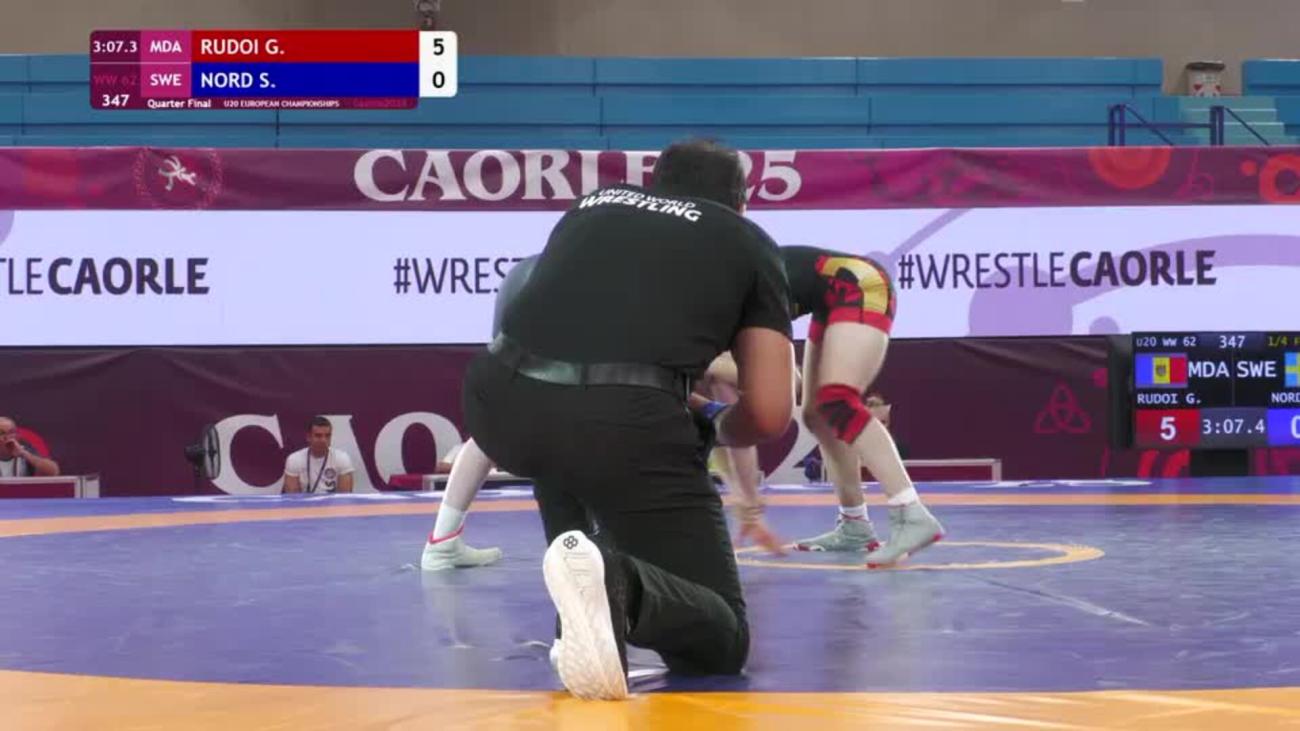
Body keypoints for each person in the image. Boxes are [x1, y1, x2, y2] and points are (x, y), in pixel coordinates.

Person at [462, 139, 795, 700]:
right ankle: (618, 585)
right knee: (721, 640)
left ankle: (580, 594)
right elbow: (767, 413)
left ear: (655, 185)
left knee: (560, 435)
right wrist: (713, 426)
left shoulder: (595, 204)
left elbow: (576, 331)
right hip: (615, 427)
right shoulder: (749, 241)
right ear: (742, 202)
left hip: (497, 401)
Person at [780, 246, 944, 566]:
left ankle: (912, 514)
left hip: (860, 282)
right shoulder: (720, 293)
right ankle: (854, 524)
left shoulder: (726, 291)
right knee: (816, 415)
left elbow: (775, 375)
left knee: (837, 400)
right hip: (826, 297)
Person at [420, 256, 540, 571]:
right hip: (545, 367)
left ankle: (442, 542)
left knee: (486, 438)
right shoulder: (573, 273)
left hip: (496, 366)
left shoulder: (523, 270)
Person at [282, 417, 355, 494]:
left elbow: (344, 497)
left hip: (333, 502)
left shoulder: (342, 458)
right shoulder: (294, 459)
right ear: (308, 437)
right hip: (303, 501)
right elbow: (293, 497)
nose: (323, 440)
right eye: (318, 436)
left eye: (327, 436)